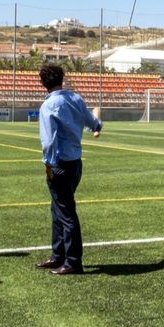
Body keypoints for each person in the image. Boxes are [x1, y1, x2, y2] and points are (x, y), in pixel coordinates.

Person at [34, 62, 101, 275]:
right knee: (58, 209)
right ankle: (58, 255)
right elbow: (93, 123)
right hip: (75, 163)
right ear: (61, 78)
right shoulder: (76, 99)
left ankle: (72, 261)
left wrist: (49, 164)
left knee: (66, 212)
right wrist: (98, 123)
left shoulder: (49, 106)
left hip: (59, 163)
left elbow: (48, 140)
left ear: (43, 82)